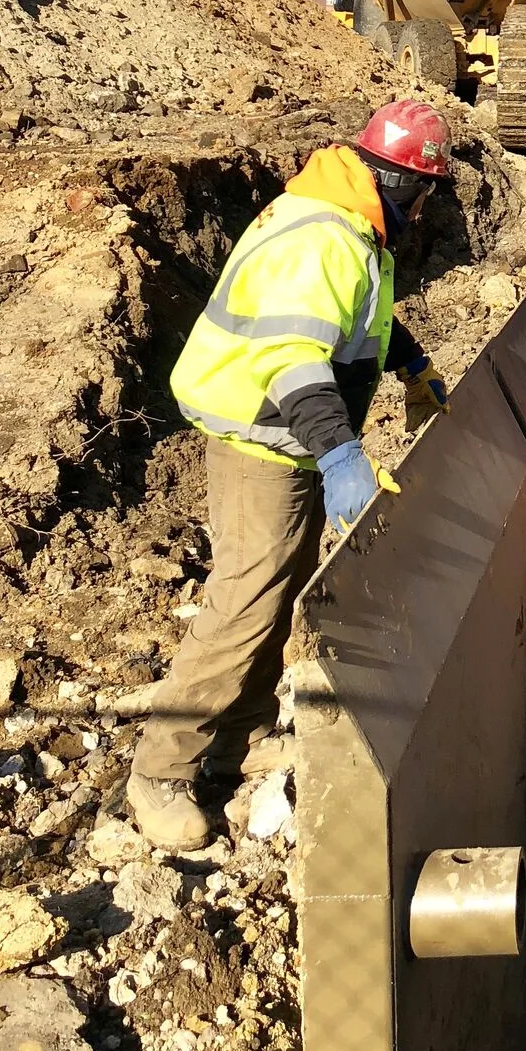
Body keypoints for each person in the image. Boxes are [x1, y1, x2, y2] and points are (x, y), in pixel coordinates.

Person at [126, 100, 453, 849]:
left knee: (281, 593)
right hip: (261, 439)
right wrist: (341, 456)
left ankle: (229, 751)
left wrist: (407, 360)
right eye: (427, 191)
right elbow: (292, 358)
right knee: (245, 601)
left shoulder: (349, 220)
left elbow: (348, 315)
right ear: (403, 184)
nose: (429, 205)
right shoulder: (325, 236)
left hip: (290, 438)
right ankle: (159, 770)